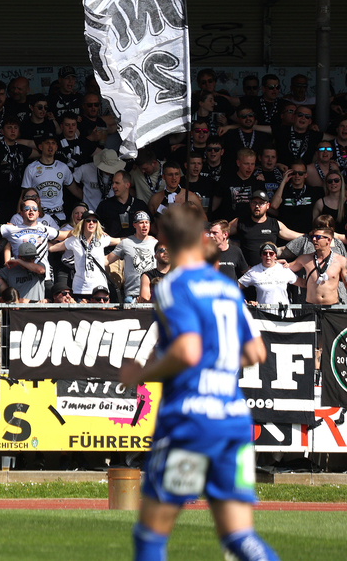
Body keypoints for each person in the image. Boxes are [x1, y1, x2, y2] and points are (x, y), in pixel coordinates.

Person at [120, 203, 278, 561]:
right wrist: (216, 362)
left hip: (190, 422)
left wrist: (140, 374)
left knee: (150, 536)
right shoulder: (226, 287)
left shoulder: (173, 285)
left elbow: (187, 351)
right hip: (233, 420)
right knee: (239, 536)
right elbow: (255, 352)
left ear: (163, 237)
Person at [238, 243, 298, 318]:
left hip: (284, 315)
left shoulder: (284, 269)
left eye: (271, 253)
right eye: (265, 253)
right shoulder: (254, 271)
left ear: (275, 255)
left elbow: (302, 283)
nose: (268, 256)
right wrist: (241, 300)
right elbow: (236, 286)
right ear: (261, 256)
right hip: (263, 317)